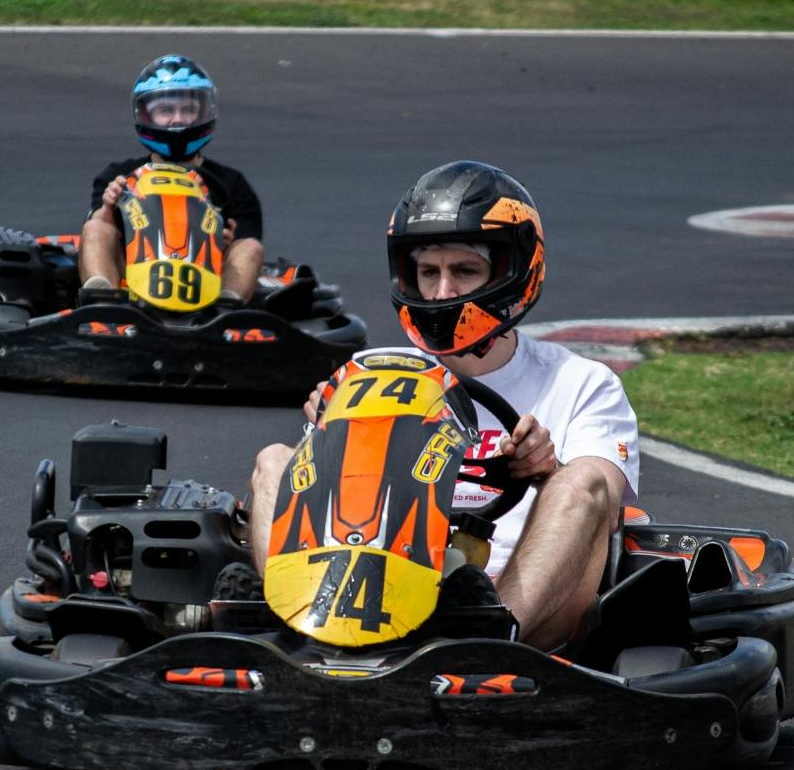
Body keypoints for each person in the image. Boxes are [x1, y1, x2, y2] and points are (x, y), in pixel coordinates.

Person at [243, 162, 640, 650]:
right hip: (378, 580)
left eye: (464, 271)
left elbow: (603, 503)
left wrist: (546, 469)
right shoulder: (372, 372)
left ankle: (486, 641)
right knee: (274, 461)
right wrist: (329, 439)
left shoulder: (581, 383)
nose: (442, 292)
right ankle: (294, 625)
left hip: (518, 602)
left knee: (581, 480)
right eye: (429, 272)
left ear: (514, 272)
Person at [78, 55, 265, 305]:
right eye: (166, 110)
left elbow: (246, 243)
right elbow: (97, 230)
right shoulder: (116, 175)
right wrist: (109, 207)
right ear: (146, 115)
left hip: (207, 281)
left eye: (188, 110)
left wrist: (222, 243)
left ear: (204, 113)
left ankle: (226, 306)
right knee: (95, 227)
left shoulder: (231, 183)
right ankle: (103, 303)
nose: (177, 119)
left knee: (250, 247)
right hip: (131, 279)